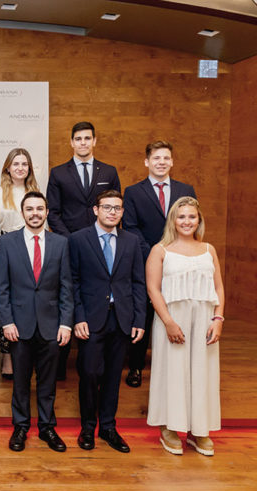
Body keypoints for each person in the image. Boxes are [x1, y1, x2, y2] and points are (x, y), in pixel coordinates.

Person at [0, 191, 73, 453]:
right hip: (19, 326)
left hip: (52, 326)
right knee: (20, 382)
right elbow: (2, 287)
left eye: (40, 209)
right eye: (30, 209)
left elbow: (66, 287)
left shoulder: (60, 243)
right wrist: (6, 322)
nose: (35, 213)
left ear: (47, 212)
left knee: (48, 382)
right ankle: (20, 427)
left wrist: (66, 323)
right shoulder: (6, 243)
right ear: (22, 212)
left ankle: (47, 427)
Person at [69, 190, 146, 453]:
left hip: (122, 318)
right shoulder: (78, 239)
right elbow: (72, 282)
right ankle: (88, 427)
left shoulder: (131, 241)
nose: (112, 212)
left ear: (122, 212)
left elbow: (138, 282)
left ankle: (108, 428)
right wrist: (78, 317)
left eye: (117, 208)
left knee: (114, 376)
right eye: (107, 207)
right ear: (96, 210)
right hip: (90, 319)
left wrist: (139, 319)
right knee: (89, 373)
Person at [146, 197, 224, 456]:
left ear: (199, 220)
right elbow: (153, 289)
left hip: (204, 319)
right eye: (181, 217)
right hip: (172, 319)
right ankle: (169, 426)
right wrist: (168, 322)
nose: (187, 221)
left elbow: (218, 287)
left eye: (192, 216)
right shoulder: (160, 250)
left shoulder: (208, 249)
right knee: (172, 372)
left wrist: (218, 319)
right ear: (173, 220)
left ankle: (198, 430)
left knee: (202, 372)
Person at [46, 121, 120, 381]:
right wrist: (72, 240)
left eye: (87, 138)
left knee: (97, 294)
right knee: (68, 295)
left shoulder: (109, 171)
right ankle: (60, 365)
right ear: (71, 142)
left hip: (102, 249)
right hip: (69, 246)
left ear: (94, 141)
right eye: (78, 139)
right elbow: (53, 213)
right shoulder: (58, 173)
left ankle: (97, 361)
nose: (83, 143)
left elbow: (114, 208)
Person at [123, 141, 197, 388]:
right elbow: (130, 228)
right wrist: (156, 255)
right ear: (147, 162)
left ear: (172, 162)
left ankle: (177, 366)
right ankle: (136, 366)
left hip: (180, 262)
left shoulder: (186, 190)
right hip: (145, 260)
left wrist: (174, 255)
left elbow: (191, 224)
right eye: (156, 158)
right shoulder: (133, 192)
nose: (161, 162)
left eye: (166, 158)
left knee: (178, 309)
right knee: (144, 313)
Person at [0, 147, 42, 380]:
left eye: (24, 164)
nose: (20, 168)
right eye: (16, 164)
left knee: (30, 300)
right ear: (8, 168)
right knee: (6, 301)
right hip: (7, 251)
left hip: (33, 253)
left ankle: (30, 353)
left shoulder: (36, 192)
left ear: (29, 168)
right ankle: (7, 356)